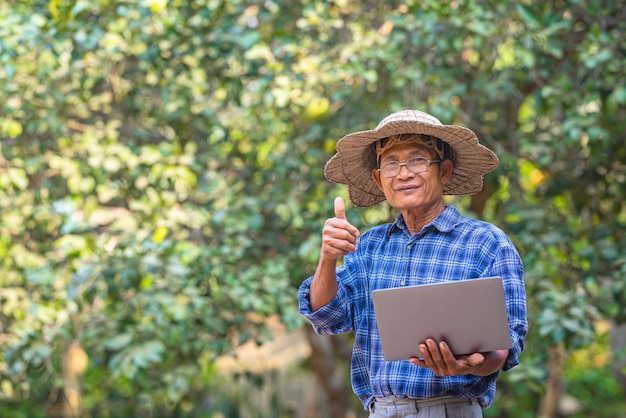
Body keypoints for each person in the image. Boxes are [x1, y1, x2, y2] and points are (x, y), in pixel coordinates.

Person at [298, 109, 527, 417]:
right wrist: (327, 258)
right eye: (391, 164)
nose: (403, 174)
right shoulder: (369, 246)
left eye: (417, 160)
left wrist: (470, 364)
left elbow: (506, 346)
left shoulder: (486, 243)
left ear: (443, 171)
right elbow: (326, 318)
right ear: (379, 179)